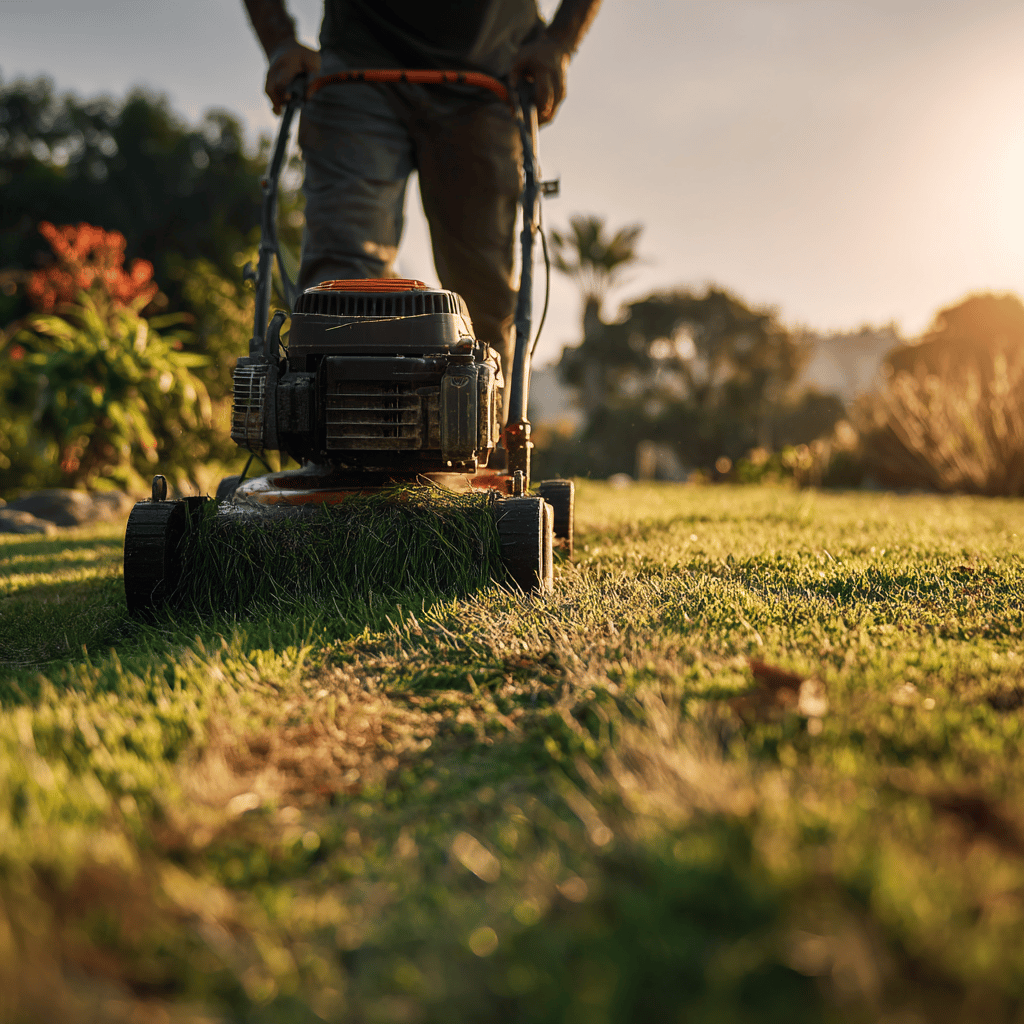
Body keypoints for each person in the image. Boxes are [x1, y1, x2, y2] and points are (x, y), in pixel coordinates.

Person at [241, 0, 601, 375]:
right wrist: (279, 39)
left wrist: (560, 41)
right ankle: (333, 420)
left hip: (491, 77)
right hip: (359, 68)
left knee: (485, 313)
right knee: (338, 300)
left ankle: (486, 424)